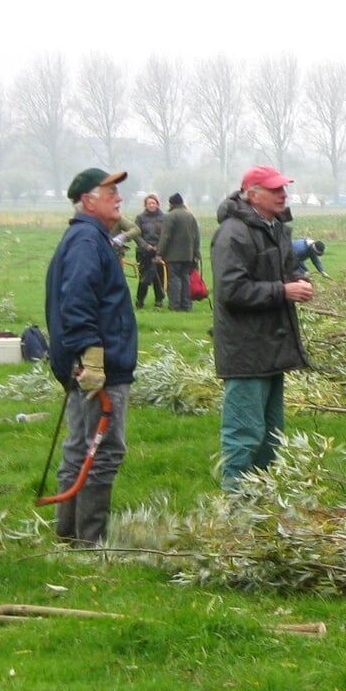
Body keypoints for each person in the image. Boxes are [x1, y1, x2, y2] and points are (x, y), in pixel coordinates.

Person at [43, 168, 138, 547]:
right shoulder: (86, 241)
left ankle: (68, 533)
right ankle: (90, 541)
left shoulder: (91, 237)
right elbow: (77, 301)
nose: (118, 197)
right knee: (102, 450)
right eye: (110, 191)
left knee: (81, 446)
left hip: (87, 362)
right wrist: (93, 358)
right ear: (88, 200)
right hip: (97, 366)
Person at [211, 166, 314, 489]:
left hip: (273, 349)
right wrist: (283, 290)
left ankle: (263, 508)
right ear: (252, 194)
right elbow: (231, 291)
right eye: (275, 190)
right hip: (246, 352)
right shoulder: (233, 233)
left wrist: (300, 280)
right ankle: (235, 511)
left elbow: (289, 269)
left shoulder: (276, 228)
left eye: (284, 188)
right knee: (244, 436)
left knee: (271, 437)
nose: (283, 194)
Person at [157, 192, 200, 311]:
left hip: (173, 256)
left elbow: (165, 237)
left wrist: (159, 253)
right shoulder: (190, 216)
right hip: (188, 255)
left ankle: (174, 306)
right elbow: (196, 236)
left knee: (174, 280)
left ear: (172, 204)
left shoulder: (170, 216)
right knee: (185, 278)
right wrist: (196, 254)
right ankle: (186, 305)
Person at [131, 193, 166, 309]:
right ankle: (140, 300)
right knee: (144, 278)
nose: (151, 205)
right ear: (145, 205)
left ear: (157, 204)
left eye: (154, 203)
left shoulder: (164, 218)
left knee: (158, 278)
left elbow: (166, 235)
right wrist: (146, 246)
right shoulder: (140, 218)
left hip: (159, 252)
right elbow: (136, 235)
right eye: (149, 203)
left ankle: (159, 301)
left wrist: (159, 247)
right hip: (144, 252)